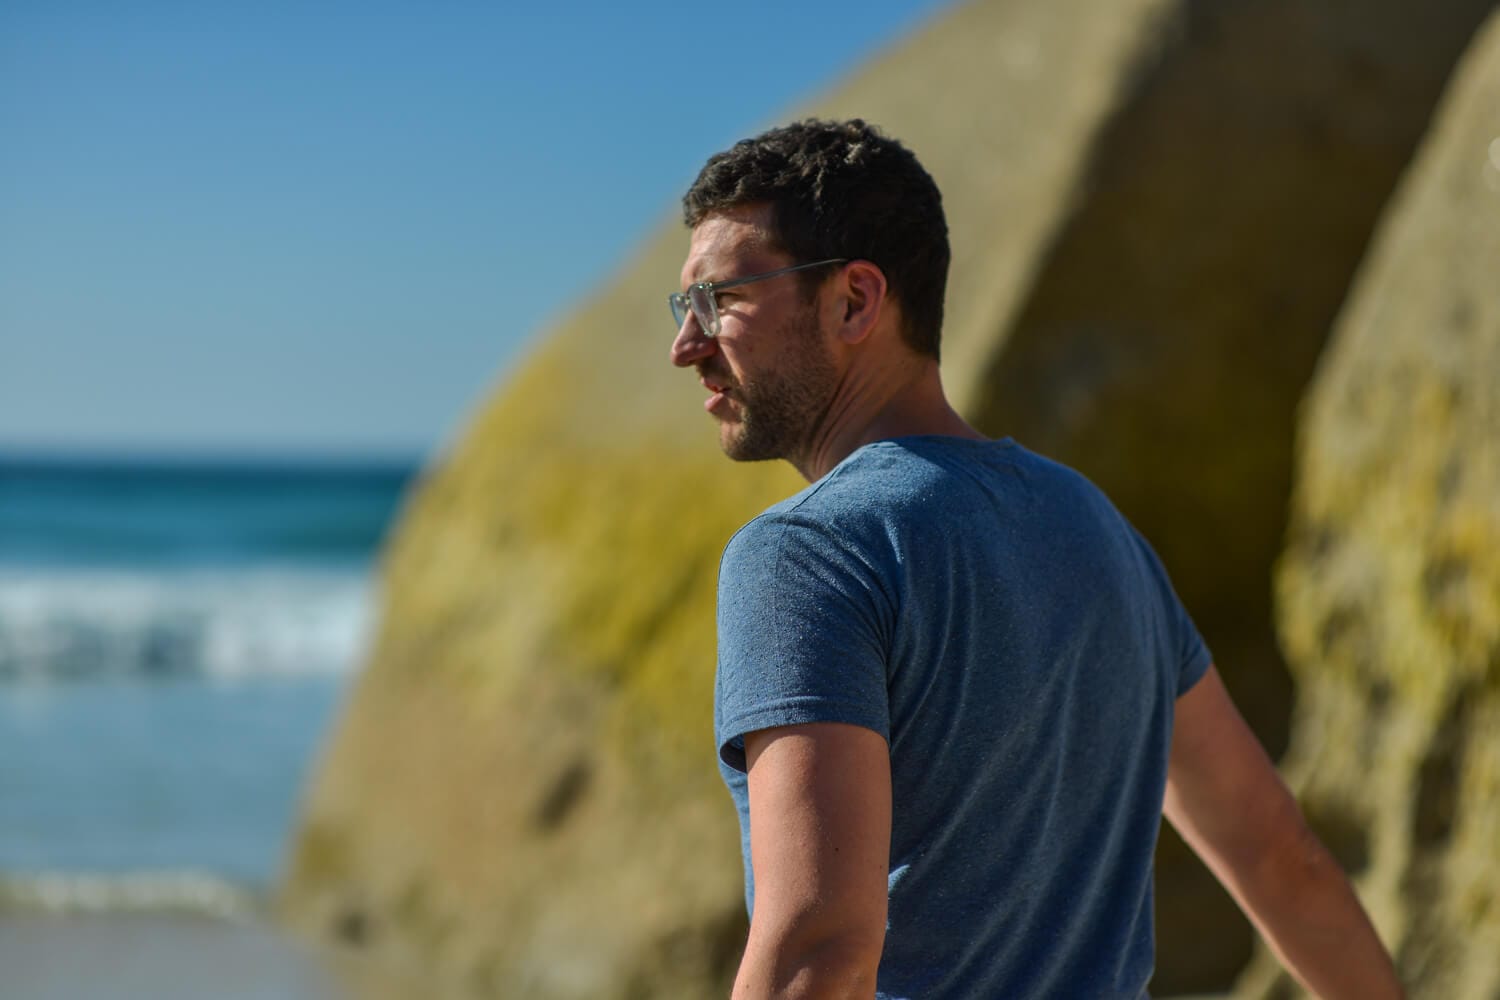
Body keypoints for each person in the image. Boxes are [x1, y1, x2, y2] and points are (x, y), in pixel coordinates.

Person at [667, 118, 1402, 1000]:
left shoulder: (811, 554)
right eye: (683, 309)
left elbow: (820, 949)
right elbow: (1281, 856)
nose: (686, 346)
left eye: (718, 300)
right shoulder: (1100, 532)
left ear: (855, 301)